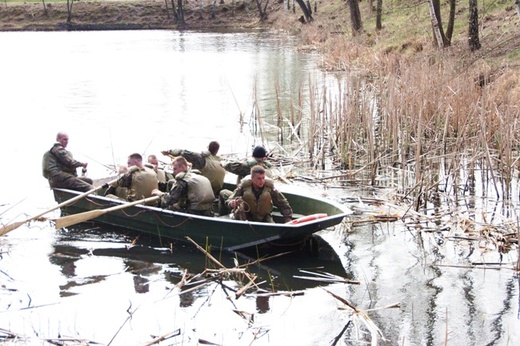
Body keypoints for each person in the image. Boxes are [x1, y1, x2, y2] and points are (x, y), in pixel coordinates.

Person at [224, 165, 292, 223]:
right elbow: (230, 199)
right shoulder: (244, 187)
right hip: (247, 216)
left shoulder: (269, 188)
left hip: (264, 217)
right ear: (252, 178)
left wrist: (288, 219)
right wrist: (232, 203)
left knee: (271, 227)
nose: (262, 181)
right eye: (259, 178)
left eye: (263, 178)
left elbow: (283, 204)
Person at [161, 141, 226, 196]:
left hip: (201, 191)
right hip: (214, 191)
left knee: (171, 182)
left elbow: (183, 152)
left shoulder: (201, 159)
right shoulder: (222, 161)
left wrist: (169, 152)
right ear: (217, 150)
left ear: (208, 148)